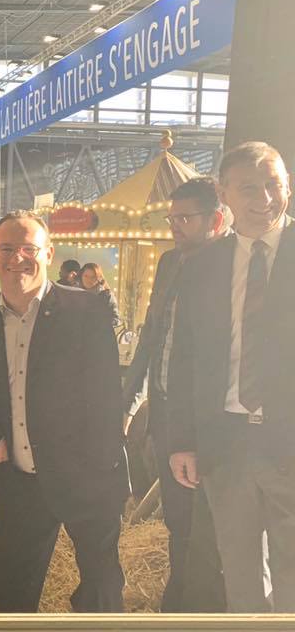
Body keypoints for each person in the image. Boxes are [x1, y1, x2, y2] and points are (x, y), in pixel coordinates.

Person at [0, 210, 129, 613]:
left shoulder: (87, 311)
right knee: (10, 597)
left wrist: (101, 466)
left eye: (28, 248)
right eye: (7, 249)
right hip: (18, 482)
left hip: (87, 480)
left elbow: (105, 394)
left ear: (48, 252)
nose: (18, 258)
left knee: (101, 591)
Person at [167, 141, 295, 612]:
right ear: (224, 193)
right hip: (227, 445)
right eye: (248, 188)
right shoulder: (203, 266)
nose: (263, 198)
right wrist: (181, 440)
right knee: (238, 576)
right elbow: (183, 360)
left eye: (273, 185)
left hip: (292, 445)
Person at [122, 177, 229, 612]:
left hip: (211, 421)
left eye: (185, 218)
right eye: (172, 218)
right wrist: (128, 402)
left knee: (210, 526)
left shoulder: (231, 267)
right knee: (178, 520)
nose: (175, 226)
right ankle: (179, 602)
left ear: (217, 219)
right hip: (165, 413)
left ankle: (194, 608)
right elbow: (151, 336)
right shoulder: (169, 264)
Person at [80, 262, 121, 327]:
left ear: (98, 278)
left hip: (99, 334)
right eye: (86, 276)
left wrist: (100, 323)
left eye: (93, 277)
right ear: (81, 276)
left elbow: (116, 319)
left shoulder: (107, 295)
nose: (89, 280)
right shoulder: (77, 294)